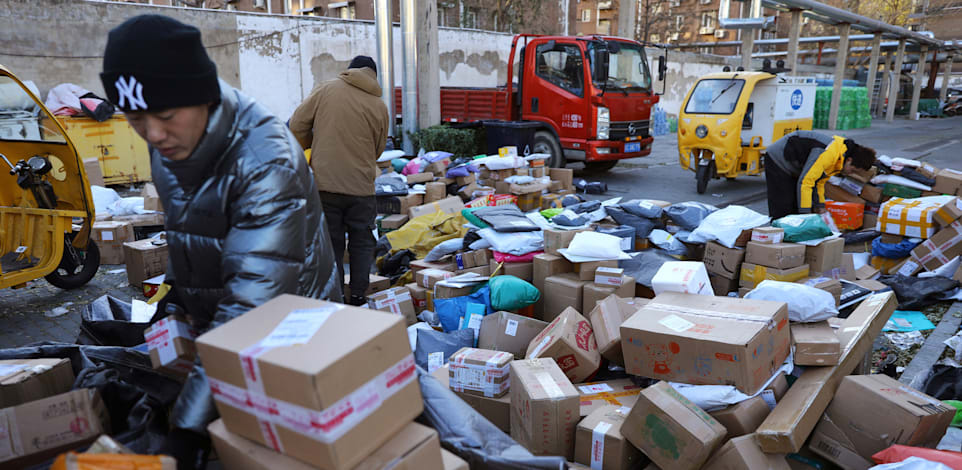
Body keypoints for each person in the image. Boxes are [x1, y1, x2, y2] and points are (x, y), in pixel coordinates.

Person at [100, 14, 341, 469]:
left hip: (288, 334)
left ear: (203, 96)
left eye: (166, 116)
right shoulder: (169, 141)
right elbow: (188, 228)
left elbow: (251, 308)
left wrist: (186, 431)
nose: (152, 134)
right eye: (135, 118)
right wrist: (172, 296)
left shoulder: (266, 161)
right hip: (221, 338)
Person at [289, 55, 390, 306]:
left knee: (330, 242)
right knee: (361, 242)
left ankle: (333, 299)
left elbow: (297, 124)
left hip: (325, 186)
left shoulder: (326, 89)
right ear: (374, 76)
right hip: (361, 189)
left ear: (349, 71)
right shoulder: (379, 105)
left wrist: (312, 146)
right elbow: (377, 150)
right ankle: (357, 296)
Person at [763, 130, 876, 220]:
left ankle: (793, 242)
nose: (851, 173)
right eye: (852, 170)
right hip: (778, 158)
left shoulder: (839, 159)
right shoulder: (829, 154)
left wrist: (820, 206)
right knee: (783, 207)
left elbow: (820, 182)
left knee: (795, 206)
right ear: (849, 160)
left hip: (795, 165)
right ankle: (776, 241)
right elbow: (806, 182)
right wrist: (806, 215)